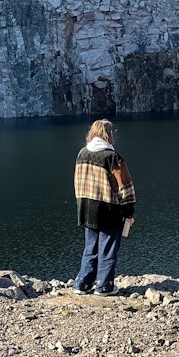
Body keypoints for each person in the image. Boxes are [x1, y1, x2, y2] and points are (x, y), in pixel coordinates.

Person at [73, 119, 136, 296]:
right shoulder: (112, 157)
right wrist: (129, 210)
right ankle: (104, 286)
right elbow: (125, 187)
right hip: (109, 209)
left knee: (90, 247)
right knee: (108, 249)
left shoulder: (82, 153)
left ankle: (82, 284)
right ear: (109, 135)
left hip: (86, 208)